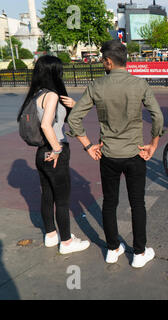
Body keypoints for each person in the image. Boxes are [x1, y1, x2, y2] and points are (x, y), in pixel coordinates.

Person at [67, 40, 164, 268]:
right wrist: (153, 144)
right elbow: (157, 117)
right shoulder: (139, 84)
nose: (102, 62)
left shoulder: (96, 85)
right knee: (137, 203)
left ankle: (113, 248)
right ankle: (138, 253)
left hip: (108, 155)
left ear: (108, 62)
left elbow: (73, 119)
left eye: (102, 59)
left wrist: (88, 146)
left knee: (109, 202)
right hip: (135, 154)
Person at [17, 55, 90, 254]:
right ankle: (66, 242)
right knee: (63, 199)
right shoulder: (52, 95)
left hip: (41, 153)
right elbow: (46, 124)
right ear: (54, 73)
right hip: (55, 151)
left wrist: (74, 107)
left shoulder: (36, 94)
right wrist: (57, 149)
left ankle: (51, 235)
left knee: (47, 195)